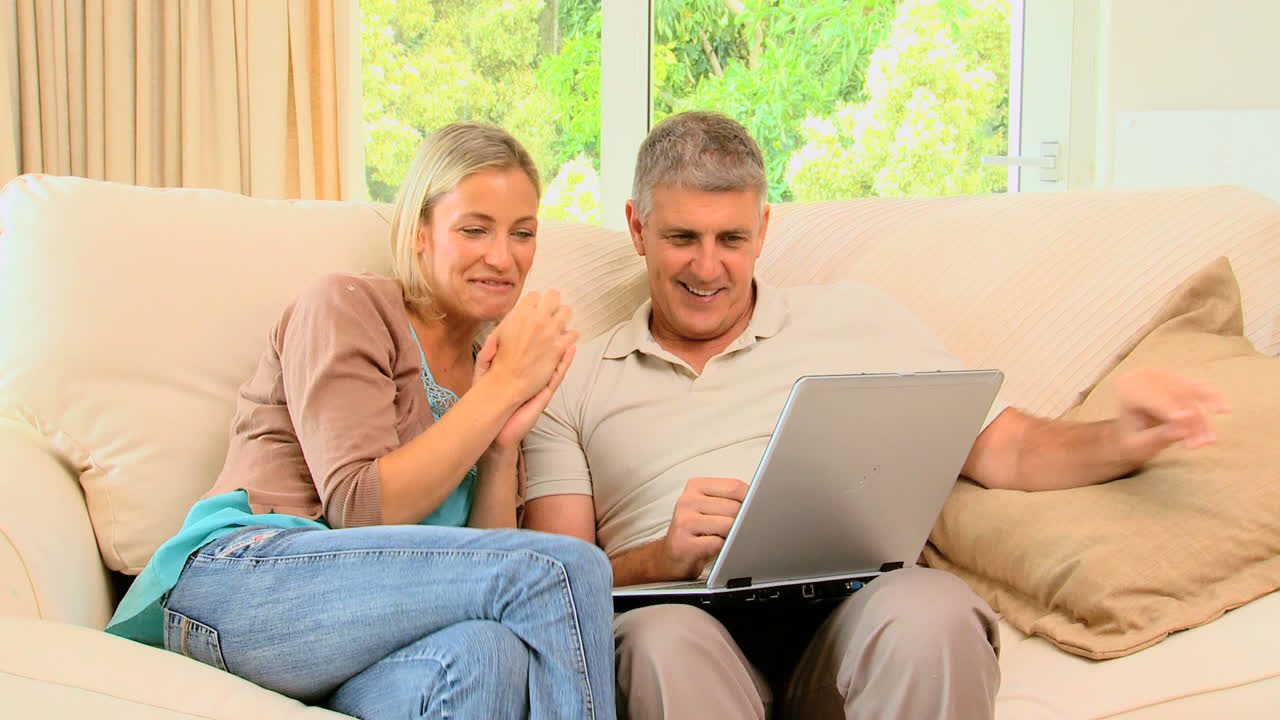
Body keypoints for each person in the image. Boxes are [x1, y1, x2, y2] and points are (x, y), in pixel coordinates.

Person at [521, 111, 1229, 720]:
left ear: (763, 230)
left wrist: (1127, 438)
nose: (708, 269)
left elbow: (1007, 451)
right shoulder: (577, 376)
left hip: (853, 613)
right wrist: (661, 558)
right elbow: (559, 577)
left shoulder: (856, 317)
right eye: (683, 238)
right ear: (637, 228)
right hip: (680, 620)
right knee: (661, 643)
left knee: (934, 609)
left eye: (731, 240)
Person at [107, 122, 617, 720]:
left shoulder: (492, 367)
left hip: (358, 645)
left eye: (523, 233)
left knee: (487, 654)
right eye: (474, 229)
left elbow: (471, 562)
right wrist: (500, 392)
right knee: (563, 568)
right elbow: (359, 509)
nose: (503, 257)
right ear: (420, 233)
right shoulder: (346, 305)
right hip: (244, 586)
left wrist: (501, 446)